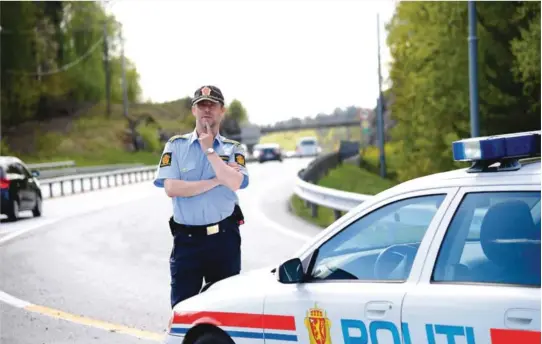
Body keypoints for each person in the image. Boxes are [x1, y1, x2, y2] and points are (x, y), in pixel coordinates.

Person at [153, 85, 249, 308]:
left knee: (226, 310)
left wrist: (210, 151)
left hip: (224, 239)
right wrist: (217, 180)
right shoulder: (175, 146)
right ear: (193, 110)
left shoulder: (233, 148)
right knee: (183, 310)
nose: (207, 109)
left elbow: (235, 183)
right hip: (187, 241)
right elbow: (171, 188)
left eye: (212, 105)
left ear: (221, 110)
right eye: (201, 105)